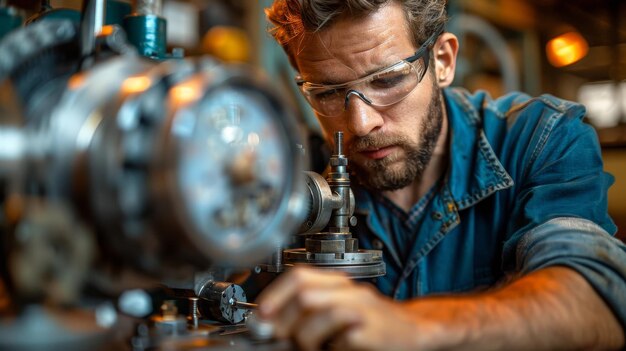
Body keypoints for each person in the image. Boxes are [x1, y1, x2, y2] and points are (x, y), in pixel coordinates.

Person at [256, 1, 626, 350]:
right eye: (329, 93)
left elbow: (596, 303)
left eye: (387, 81)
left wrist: (411, 327)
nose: (361, 122)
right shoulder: (287, 171)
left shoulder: (540, 139)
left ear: (443, 61)